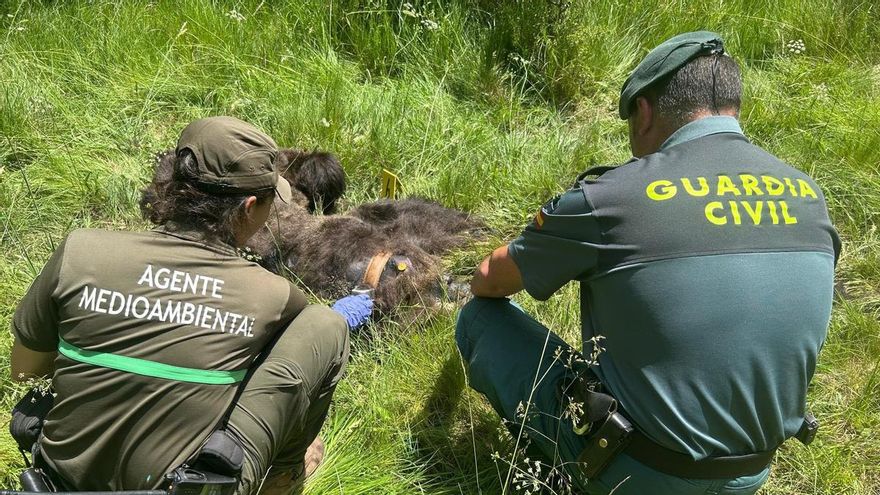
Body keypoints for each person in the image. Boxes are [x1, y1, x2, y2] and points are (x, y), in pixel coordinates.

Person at [456, 31, 840, 495]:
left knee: (479, 320)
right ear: (732, 106)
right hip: (752, 472)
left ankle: (557, 473)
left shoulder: (612, 197)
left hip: (635, 471)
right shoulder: (809, 194)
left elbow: (488, 280)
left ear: (644, 112)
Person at [10, 116, 373, 494]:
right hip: (186, 487)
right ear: (249, 207)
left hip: (60, 481)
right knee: (325, 325)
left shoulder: (81, 250)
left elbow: (24, 370)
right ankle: (282, 478)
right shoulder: (274, 296)